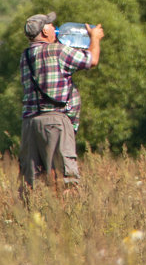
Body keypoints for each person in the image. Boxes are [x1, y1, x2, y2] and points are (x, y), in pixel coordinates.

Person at [18, 11, 103, 197]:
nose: (54, 28)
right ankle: (64, 220)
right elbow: (92, 60)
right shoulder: (58, 51)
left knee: (33, 183)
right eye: (50, 25)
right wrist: (94, 38)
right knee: (65, 181)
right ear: (45, 32)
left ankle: (32, 219)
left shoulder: (25, 56)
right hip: (55, 123)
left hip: (30, 124)